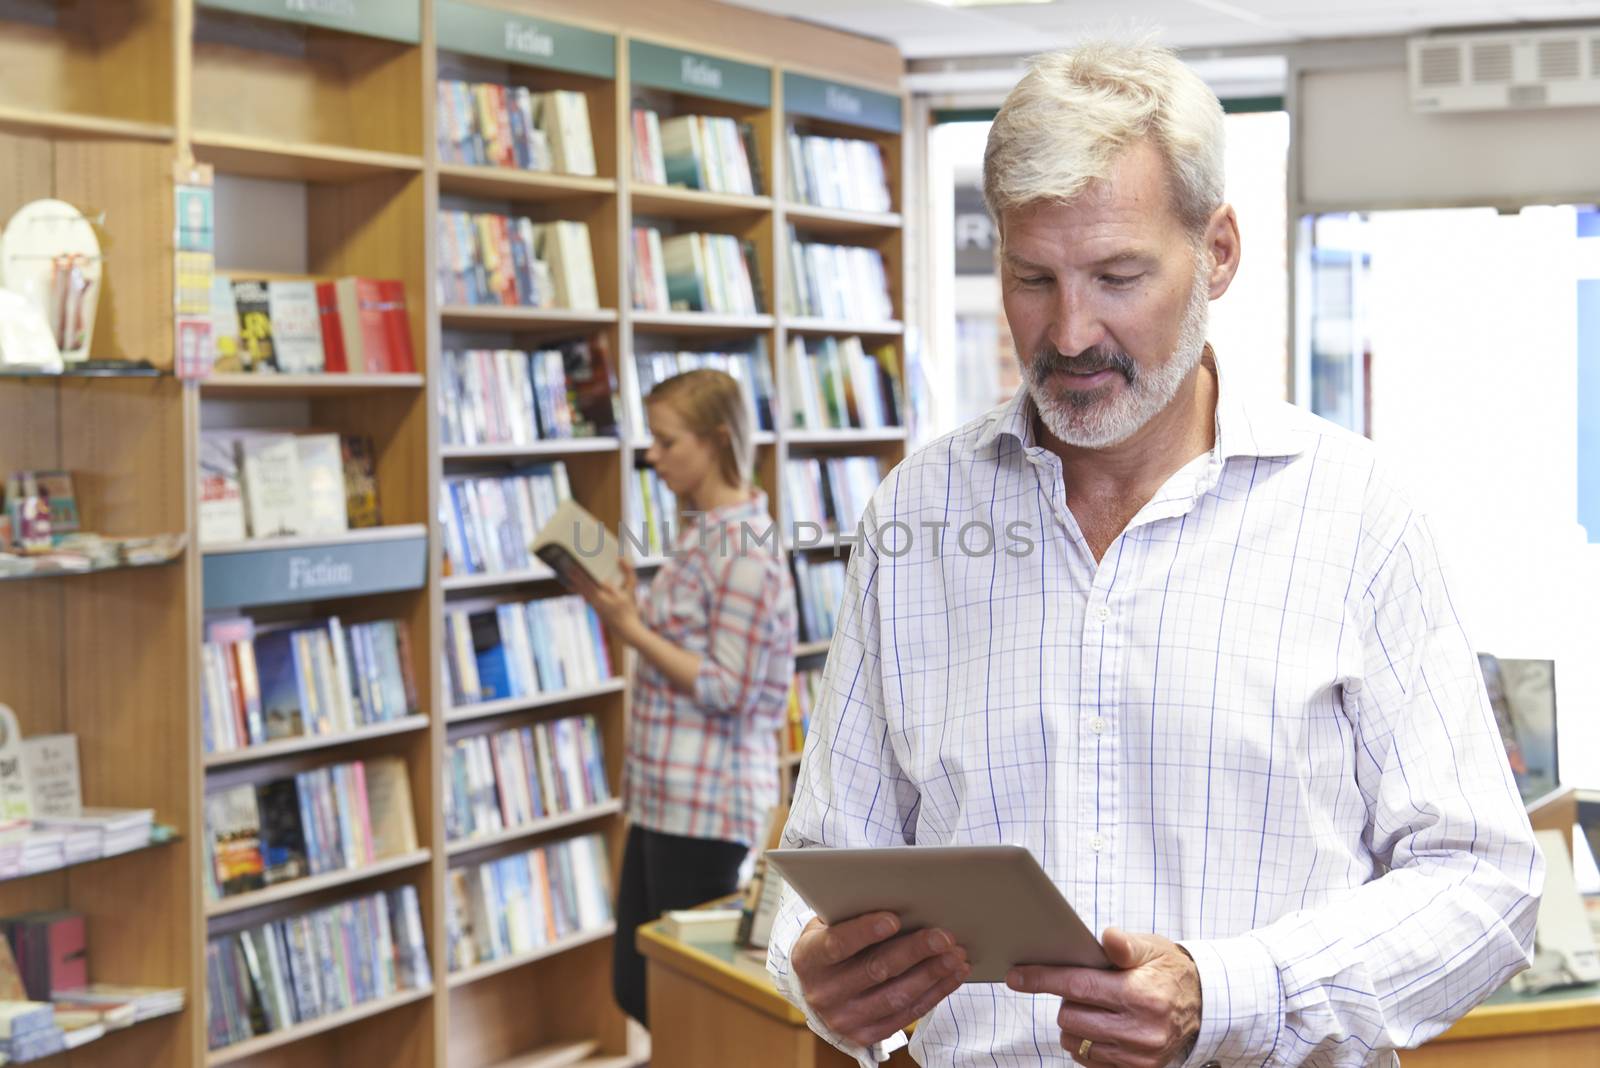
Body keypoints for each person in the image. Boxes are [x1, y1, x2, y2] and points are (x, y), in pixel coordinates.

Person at [766, 40, 1543, 1068]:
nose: (1071, 330)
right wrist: (817, 972)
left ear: (1217, 250)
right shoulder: (916, 518)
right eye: (1031, 277)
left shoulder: (1356, 515)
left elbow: (1482, 883)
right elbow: (825, 864)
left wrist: (1230, 991)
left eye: (1117, 275)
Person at [576, 368, 797, 1027]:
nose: (653, 455)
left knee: (684, 1004)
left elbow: (726, 687)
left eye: (668, 442)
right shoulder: (706, 532)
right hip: (661, 795)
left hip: (706, 809)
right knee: (637, 987)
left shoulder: (745, 551)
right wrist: (632, 607)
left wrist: (631, 630)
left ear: (716, 441)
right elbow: (695, 643)